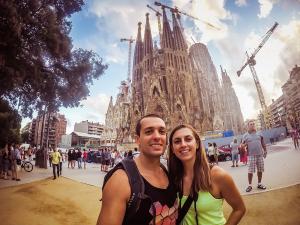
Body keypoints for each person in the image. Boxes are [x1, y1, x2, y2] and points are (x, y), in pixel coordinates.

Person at [97, 114, 178, 225]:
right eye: (149, 132)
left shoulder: (167, 171)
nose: (157, 136)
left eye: (162, 131)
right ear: (138, 140)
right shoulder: (121, 180)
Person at [169, 124, 245, 225]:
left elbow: (239, 209)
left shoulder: (217, 175)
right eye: (177, 141)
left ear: (196, 144)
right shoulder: (174, 177)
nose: (183, 144)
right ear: (172, 149)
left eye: (188, 139)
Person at [242, 120, 267, 192]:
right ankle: (250, 185)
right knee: (250, 171)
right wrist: (243, 146)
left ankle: (259, 183)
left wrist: (265, 151)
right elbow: (242, 145)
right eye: (251, 124)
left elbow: (263, 143)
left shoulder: (259, 133)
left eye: (253, 124)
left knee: (260, 170)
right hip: (251, 156)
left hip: (260, 155)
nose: (252, 125)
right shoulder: (245, 135)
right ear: (248, 126)